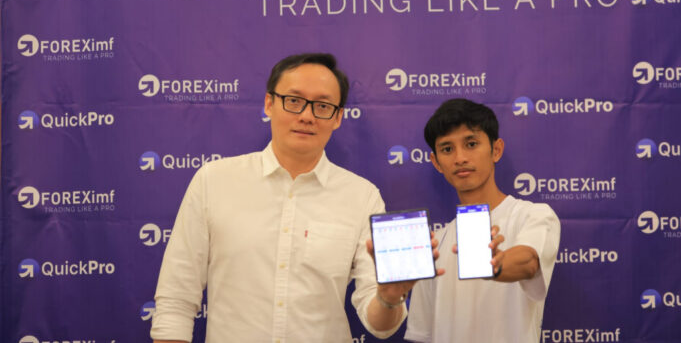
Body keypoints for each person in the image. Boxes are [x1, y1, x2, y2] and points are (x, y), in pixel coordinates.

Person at [150, 53, 437, 343]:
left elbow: (381, 326)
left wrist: (389, 298)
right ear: (269, 103)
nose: (306, 116)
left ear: (338, 117)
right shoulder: (214, 181)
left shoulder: (362, 196)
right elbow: (176, 299)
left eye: (322, 106)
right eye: (294, 100)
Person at [405, 98, 561, 343]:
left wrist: (495, 265)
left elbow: (529, 262)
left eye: (471, 144)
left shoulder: (533, 215)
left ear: (496, 150)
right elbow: (422, 335)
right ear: (436, 162)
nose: (460, 158)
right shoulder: (434, 243)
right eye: (447, 149)